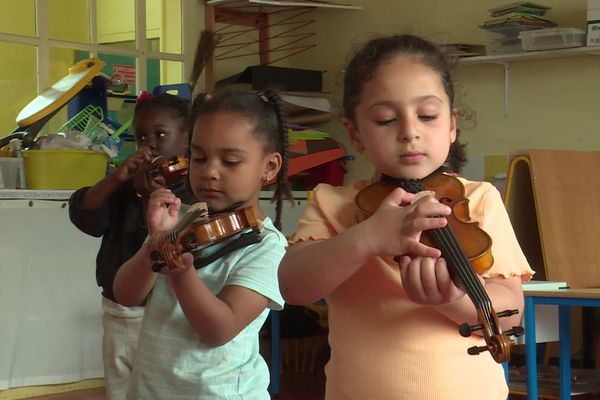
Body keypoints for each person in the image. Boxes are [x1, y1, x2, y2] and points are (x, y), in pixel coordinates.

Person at [278, 34, 534, 400]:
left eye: (428, 116)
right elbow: (293, 285)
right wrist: (366, 237)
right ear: (355, 133)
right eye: (385, 120)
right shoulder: (333, 203)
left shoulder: (478, 200)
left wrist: (450, 301)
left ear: (451, 125)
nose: (410, 132)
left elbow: (509, 313)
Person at [113, 89, 293, 399]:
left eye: (230, 161)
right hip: (150, 391)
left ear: (270, 167)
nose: (209, 171)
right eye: (199, 157)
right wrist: (155, 245)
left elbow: (218, 330)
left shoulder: (266, 246)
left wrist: (182, 273)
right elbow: (126, 295)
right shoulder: (181, 219)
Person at [68, 93, 191, 400]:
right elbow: (87, 217)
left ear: (186, 139)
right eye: (141, 136)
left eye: (161, 135)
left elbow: (173, 245)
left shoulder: (190, 190)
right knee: (121, 388)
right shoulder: (126, 184)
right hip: (117, 311)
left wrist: (152, 196)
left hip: (164, 313)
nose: (149, 145)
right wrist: (116, 179)